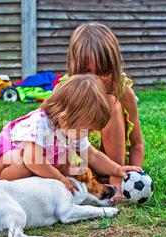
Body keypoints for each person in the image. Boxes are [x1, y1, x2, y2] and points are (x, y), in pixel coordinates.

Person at [0, 74, 141, 193]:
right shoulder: (40, 123)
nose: (89, 134)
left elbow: (93, 156)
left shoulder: (73, 128)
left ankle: (42, 183)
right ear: (67, 116)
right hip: (3, 164)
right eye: (88, 128)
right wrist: (58, 178)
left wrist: (117, 170)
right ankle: (13, 189)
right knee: (25, 162)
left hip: (40, 159)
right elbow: (32, 160)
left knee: (72, 166)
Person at [66, 22, 146, 202]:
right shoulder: (65, 90)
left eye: (103, 72)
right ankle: (91, 183)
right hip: (78, 168)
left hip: (112, 167)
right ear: (74, 68)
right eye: (86, 72)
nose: (94, 80)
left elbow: (137, 144)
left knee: (110, 103)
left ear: (114, 68)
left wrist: (131, 176)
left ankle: (115, 181)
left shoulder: (122, 91)